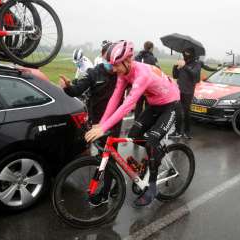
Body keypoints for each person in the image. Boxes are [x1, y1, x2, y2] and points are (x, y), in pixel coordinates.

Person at [85, 40, 180, 207]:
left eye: (116, 65)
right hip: (154, 105)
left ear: (128, 61)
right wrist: (101, 124)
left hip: (170, 105)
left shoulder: (142, 75)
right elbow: (115, 98)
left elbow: (127, 105)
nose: (114, 69)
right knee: (133, 135)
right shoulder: (123, 73)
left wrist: (104, 127)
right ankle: (153, 156)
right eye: (112, 65)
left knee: (151, 142)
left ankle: (151, 187)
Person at [59, 42, 123, 206]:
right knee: (104, 156)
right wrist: (67, 87)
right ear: (103, 56)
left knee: (108, 158)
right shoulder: (94, 72)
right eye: (108, 57)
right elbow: (77, 90)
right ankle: (117, 182)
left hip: (113, 122)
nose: (112, 62)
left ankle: (106, 192)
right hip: (96, 122)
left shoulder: (121, 73)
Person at [171, 48, 217, 139]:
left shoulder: (197, 63)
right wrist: (175, 67)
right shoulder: (183, 62)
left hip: (188, 91)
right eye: (184, 53)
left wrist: (184, 66)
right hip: (178, 90)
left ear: (191, 54)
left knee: (187, 112)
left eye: (187, 53)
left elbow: (194, 74)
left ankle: (187, 132)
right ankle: (177, 131)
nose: (185, 55)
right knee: (178, 111)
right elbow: (175, 76)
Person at [133, 41, 159, 120]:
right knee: (148, 105)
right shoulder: (152, 58)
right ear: (151, 48)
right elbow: (155, 72)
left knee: (139, 104)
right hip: (148, 85)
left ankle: (136, 121)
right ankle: (146, 122)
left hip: (138, 84)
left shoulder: (137, 57)